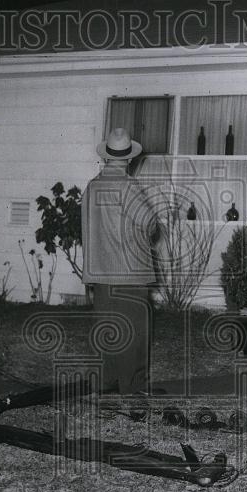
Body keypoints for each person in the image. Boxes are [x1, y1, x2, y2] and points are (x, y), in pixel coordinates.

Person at [81, 127, 159, 395]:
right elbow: (150, 224)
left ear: (106, 156)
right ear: (129, 158)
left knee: (107, 331)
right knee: (134, 333)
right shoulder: (129, 187)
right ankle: (134, 388)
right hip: (130, 274)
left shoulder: (91, 187)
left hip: (101, 273)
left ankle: (106, 385)